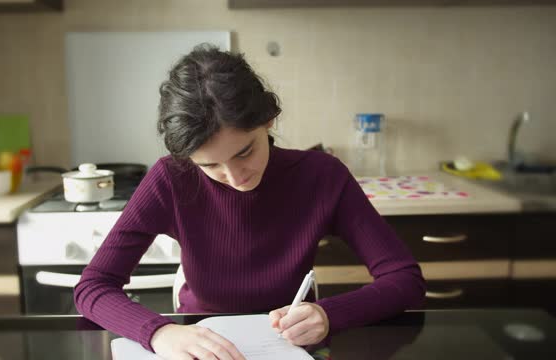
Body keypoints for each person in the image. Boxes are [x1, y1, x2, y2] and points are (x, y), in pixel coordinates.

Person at [74, 44, 426, 360]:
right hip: (200, 338)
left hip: (289, 344)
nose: (234, 175)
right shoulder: (171, 177)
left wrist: (329, 314)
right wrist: (160, 332)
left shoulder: (322, 176)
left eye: (245, 151)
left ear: (268, 119)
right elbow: (93, 287)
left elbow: (404, 278)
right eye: (210, 165)